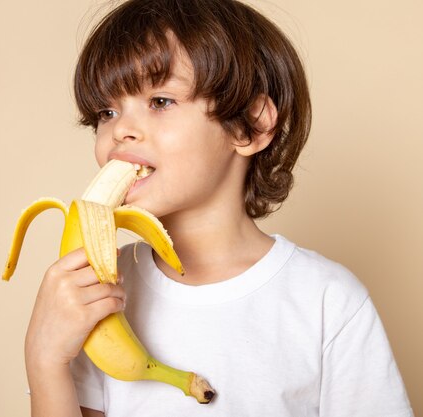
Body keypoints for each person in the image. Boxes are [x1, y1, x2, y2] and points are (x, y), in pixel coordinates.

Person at [23, 0, 413, 416]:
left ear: (251, 124)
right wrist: (44, 361)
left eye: (159, 101)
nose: (120, 130)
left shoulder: (326, 301)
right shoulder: (96, 291)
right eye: (106, 111)